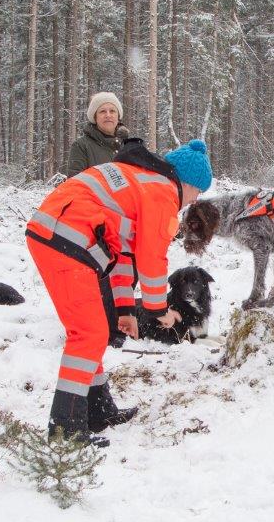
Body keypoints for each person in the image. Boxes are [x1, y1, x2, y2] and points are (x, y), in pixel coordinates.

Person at [26, 137, 213, 447]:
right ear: (187, 182)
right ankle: (66, 432)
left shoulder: (140, 184)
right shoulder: (163, 192)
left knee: (92, 330)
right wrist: (156, 309)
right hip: (68, 240)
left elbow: (124, 254)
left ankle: (99, 410)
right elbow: (153, 257)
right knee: (88, 333)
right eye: (197, 192)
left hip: (59, 236)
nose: (193, 201)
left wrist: (125, 309)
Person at [66, 92, 129, 177]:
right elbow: (75, 185)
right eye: (102, 111)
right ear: (95, 117)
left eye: (112, 111)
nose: (108, 115)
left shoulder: (130, 146)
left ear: (118, 116)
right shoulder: (81, 146)